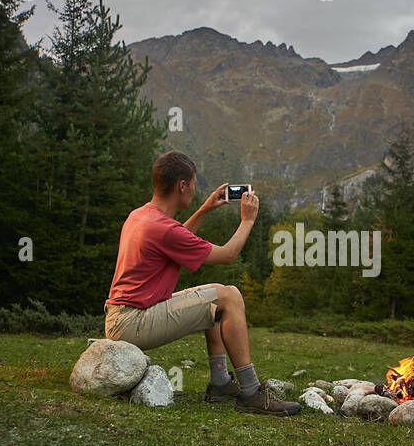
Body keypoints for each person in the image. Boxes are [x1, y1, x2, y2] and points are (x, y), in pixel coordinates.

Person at [103, 150, 301, 416]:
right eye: (194, 183)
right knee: (228, 297)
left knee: (214, 299)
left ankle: (220, 384)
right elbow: (228, 255)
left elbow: (174, 237)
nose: (195, 189)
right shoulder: (162, 228)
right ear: (182, 186)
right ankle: (251, 393)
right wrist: (248, 220)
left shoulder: (141, 216)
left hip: (122, 317)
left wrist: (205, 208)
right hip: (131, 323)